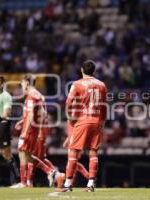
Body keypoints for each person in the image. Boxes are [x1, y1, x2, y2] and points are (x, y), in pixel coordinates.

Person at [59, 60, 107, 192]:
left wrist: (69, 117)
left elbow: (68, 102)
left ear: (81, 70)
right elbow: (104, 106)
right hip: (97, 121)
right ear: (94, 71)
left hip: (82, 120)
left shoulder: (76, 84)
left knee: (73, 151)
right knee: (93, 152)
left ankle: (68, 184)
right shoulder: (102, 85)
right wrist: (102, 122)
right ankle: (91, 184)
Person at [11, 74, 48, 188]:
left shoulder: (31, 97)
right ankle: (29, 182)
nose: (22, 85)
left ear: (26, 82)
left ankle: (23, 182)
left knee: (21, 153)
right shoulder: (39, 95)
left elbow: (31, 114)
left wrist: (25, 131)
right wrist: (23, 120)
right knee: (30, 155)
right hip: (36, 129)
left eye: (22, 83)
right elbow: (43, 114)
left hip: (30, 129)